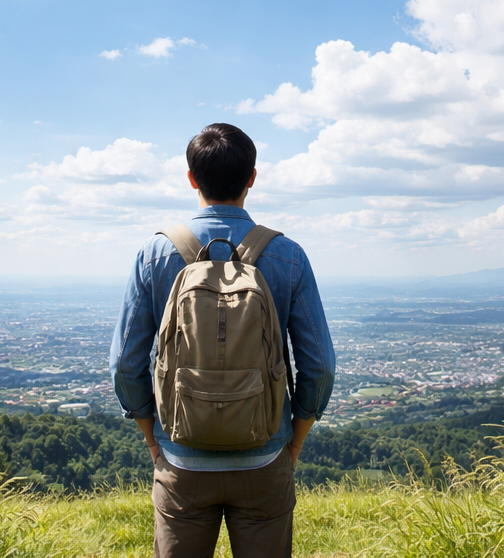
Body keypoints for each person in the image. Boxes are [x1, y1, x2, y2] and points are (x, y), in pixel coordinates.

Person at [110, 123, 336, 558]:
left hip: (180, 458)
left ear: (191, 178)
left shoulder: (154, 254)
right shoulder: (288, 255)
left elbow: (124, 363)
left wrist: (152, 439)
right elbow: (320, 366)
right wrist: (294, 442)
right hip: (266, 455)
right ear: (252, 177)